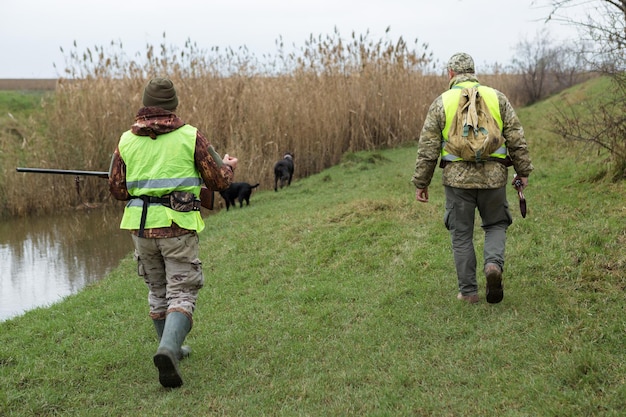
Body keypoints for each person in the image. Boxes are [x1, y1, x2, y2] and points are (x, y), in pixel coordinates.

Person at [109, 77, 238, 387]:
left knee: (157, 290)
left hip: (140, 229)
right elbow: (220, 181)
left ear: (144, 105)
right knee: (182, 290)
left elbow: (117, 189)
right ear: (174, 105)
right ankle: (168, 349)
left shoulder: (125, 140)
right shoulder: (190, 137)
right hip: (177, 227)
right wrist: (230, 165)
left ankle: (174, 348)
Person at [411, 52, 533, 304]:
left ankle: (468, 292)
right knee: (496, 224)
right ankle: (493, 266)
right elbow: (516, 137)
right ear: (474, 73)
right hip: (494, 178)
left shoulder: (441, 102)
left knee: (462, 234)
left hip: (457, 182)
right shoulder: (496, 97)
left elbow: (428, 148)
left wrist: (421, 182)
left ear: (451, 74)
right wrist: (523, 170)